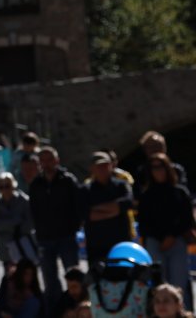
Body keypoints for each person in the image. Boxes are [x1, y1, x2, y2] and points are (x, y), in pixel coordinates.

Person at [136, 153, 194, 309]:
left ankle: (184, 313)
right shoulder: (146, 196)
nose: (158, 171)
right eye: (154, 168)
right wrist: (160, 239)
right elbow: (143, 223)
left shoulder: (179, 192)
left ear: (167, 168)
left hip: (176, 241)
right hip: (155, 243)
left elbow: (187, 220)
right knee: (158, 285)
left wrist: (171, 236)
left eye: (161, 167)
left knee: (179, 284)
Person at [29, 147, 82, 311]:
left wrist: (74, 227)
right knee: (50, 281)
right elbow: (33, 210)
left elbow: (78, 206)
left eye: (49, 159)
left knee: (74, 277)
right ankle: (56, 311)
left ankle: (78, 309)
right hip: (45, 238)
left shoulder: (68, 180)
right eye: (42, 160)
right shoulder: (36, 184)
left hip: (66, 236)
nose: (46, 164)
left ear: (57, 161)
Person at [80, 151, 132, 265]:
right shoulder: (85, 190)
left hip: (121, 244)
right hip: (97, 246)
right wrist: (114, 210)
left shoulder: (121, 185)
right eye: (99, 166)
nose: (103, 169)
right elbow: (87, 214)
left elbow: (127, 203)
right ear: (92, 168)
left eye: (106, 165)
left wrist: (97, 209)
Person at [0, 171, 36, 266]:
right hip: (5, 248)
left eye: (7, 186)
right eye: (1, 187)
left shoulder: (23, 200)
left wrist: (7, 225)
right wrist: (16, 221)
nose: (5, 189)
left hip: (24, 246)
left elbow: (30, 223)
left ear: (13, 185)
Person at [135, 131, 189, 195]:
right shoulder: (141, 173)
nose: (155, 149)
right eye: (151, 147)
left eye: (158, 145)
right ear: (145, 150)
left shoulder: (177, 170)